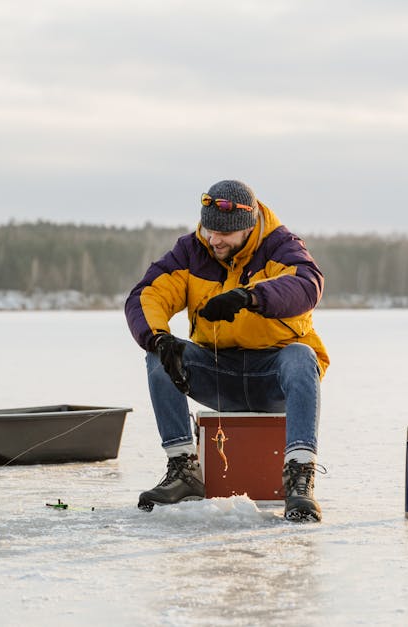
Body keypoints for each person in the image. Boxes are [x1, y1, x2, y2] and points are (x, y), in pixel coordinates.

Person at [125, 180, 330, 522]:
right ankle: (183, 469)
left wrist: (251, 297)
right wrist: (159, 338)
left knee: (301, 356)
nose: (214, 239)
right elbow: (148, 294)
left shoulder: (281, 246)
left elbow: (307, 286)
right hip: (219, 373)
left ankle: (299, 478)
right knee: (160, 355)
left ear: (248, 227)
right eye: (209, 230)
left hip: (273, 377)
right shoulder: (191, 251)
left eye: (224, 233)